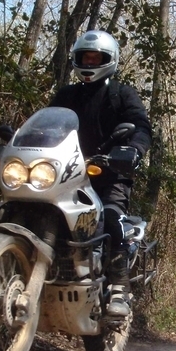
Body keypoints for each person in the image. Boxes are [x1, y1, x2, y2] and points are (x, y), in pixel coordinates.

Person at [49, 30, 152, 318]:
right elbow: (45, 124)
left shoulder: (121, 94)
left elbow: (141, 126)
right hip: (65, 173)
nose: (90, 62)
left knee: (109, 217)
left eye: (97, 58)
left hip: (109, 173)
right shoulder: (66, 95)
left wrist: (134, 150)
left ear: (110, 60)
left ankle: (119, 288)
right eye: (86, 57)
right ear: (77, 59)